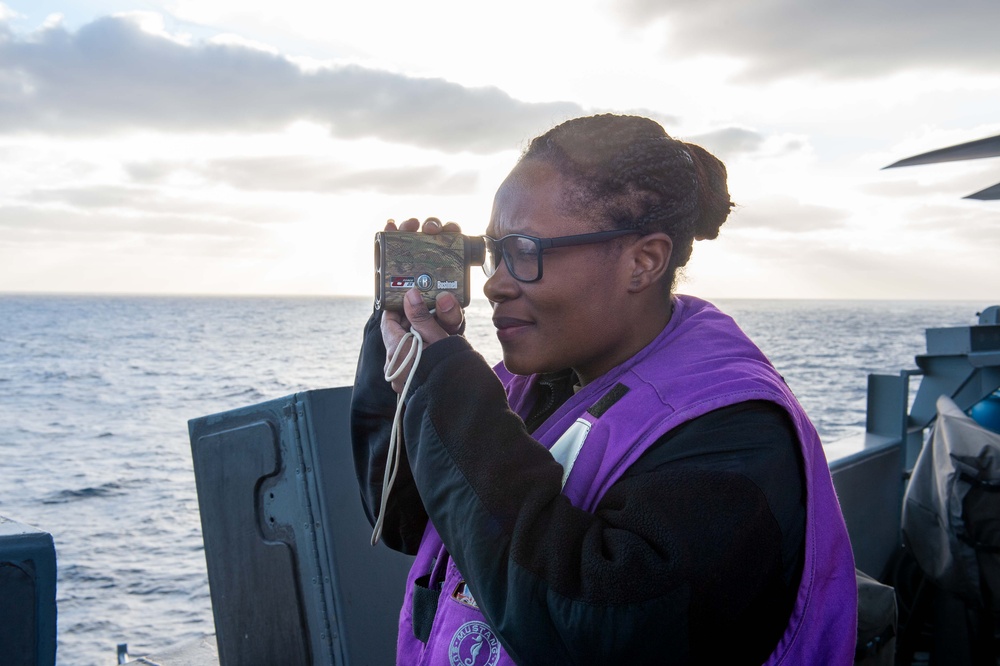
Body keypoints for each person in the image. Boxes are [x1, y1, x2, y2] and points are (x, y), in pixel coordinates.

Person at [351, 114, 857, 665]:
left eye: (525, 251)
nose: (495, 285)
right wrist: (405, 354)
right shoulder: (534, 383)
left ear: (644, 261)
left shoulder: (734, 435)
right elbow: (406, 520)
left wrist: (450, 395)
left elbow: (595, 628)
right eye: (495, 252)